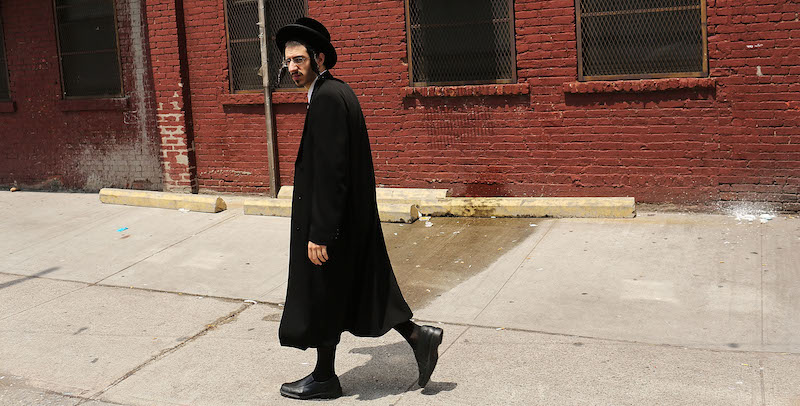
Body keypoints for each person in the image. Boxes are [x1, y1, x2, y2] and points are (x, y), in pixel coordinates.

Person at [274, 17, 444, 400]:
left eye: (299, 59)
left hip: (332, 224)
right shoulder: (335, 92)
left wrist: (321, 231)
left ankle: (323, 377)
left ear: (319, 58)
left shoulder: (329, 98)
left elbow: (333, 172)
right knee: (358, 291)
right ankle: (419, 338)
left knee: (324, 292)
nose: (292, 68)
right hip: (347, 223)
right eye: (288, 61)